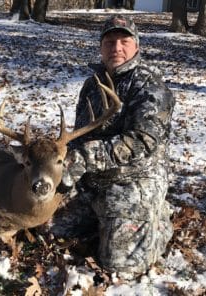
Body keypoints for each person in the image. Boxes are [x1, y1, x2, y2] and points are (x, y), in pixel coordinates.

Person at [60, 15, 175, 279]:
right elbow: (80, 134)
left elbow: (140, 141)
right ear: (101, 47)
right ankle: (105, 222)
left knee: (119, 267)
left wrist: (84, 158)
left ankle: (159, 222)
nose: (117, 48)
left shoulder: (150, 85)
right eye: (109, 41)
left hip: (135, 181)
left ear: (136, 46)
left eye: (124, 41)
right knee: (52, 225)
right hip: (92, 180)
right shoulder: (92, 85)